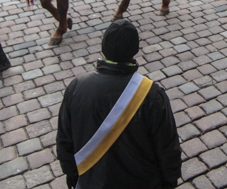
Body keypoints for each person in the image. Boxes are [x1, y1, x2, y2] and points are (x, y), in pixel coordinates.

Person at [56, 20, 182, 189]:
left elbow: (64, 142)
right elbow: (168, 148)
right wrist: (169, 181)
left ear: (103, 47)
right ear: (135, 50)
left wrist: (72, 174)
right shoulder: (152, 95)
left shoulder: (76, 88)